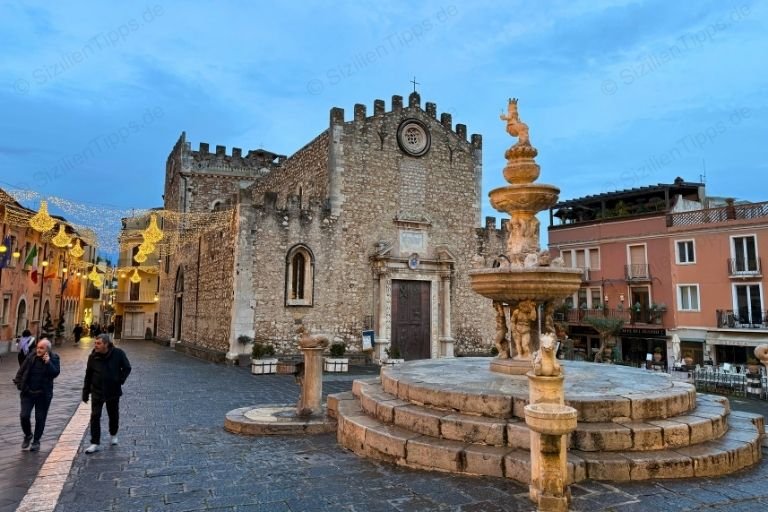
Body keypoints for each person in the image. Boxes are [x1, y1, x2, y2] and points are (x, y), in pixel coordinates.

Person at [82, 334, 131, 453]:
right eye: (95, 343)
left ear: (106, 344)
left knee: (113, 414)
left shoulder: (118, 353)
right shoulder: (92, 357)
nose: (96, 346)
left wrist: (119, 380)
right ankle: (94, 442)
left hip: (112, 390)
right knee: (95, 416)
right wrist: (85, 391)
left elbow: (127, 367)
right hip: (97, 391)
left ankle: (113, 434)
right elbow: (88, 374)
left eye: (98, 343)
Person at [13, 338, 60, 451]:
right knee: (24, 415)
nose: (38, 350)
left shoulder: (54, 358)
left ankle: (36, 441)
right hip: (28, 393)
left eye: (41, 348)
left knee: (40, 418)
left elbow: (55, 373)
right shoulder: (31, 356)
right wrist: (20, 384)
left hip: (43, 394)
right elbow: (21, 371)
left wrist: (48, 363)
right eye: (38, 347)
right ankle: (28, 435)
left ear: (47, 350)